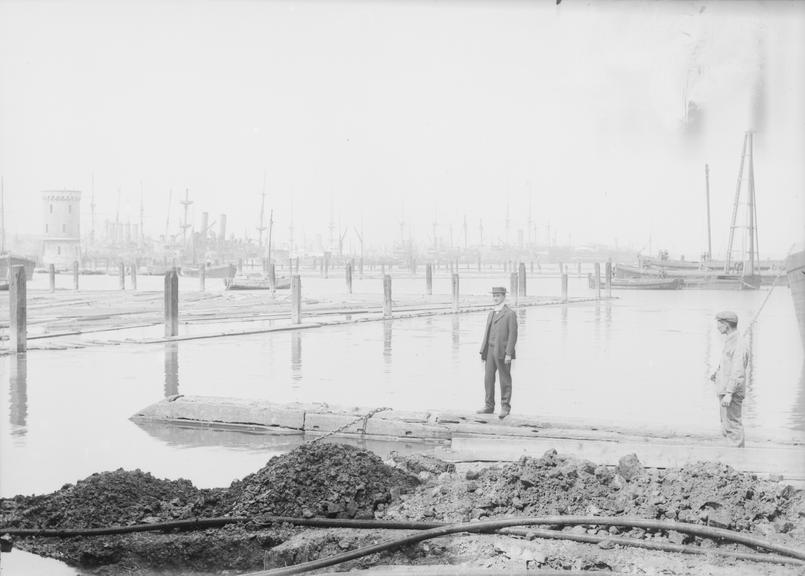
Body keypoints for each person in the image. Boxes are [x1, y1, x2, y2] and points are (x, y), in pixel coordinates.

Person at [709, 310, 748, 447]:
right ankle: (732, 458)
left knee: (733, 426)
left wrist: (730, 393)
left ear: (726, 324)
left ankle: (737, 460)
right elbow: (729, 365)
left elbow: (738, 371)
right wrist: (718, 373)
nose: (717, 327)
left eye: (719, 324)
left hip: (731, 393)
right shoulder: (731, 341)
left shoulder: (739, 343)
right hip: (725, 391)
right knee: (726, 426)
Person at [478, 286, 518, 419]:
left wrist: (509, 353)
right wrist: (483, 352)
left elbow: (513, 335)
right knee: (488, 379)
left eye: (498, 296)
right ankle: (489, 406)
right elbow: (486, 333)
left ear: (504, 297)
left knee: (504, 379)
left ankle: (505, 407)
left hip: (502, 351)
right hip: (489, 350)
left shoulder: (510, 314)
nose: (495, 298)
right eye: (494, 296)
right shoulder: (491, 313)